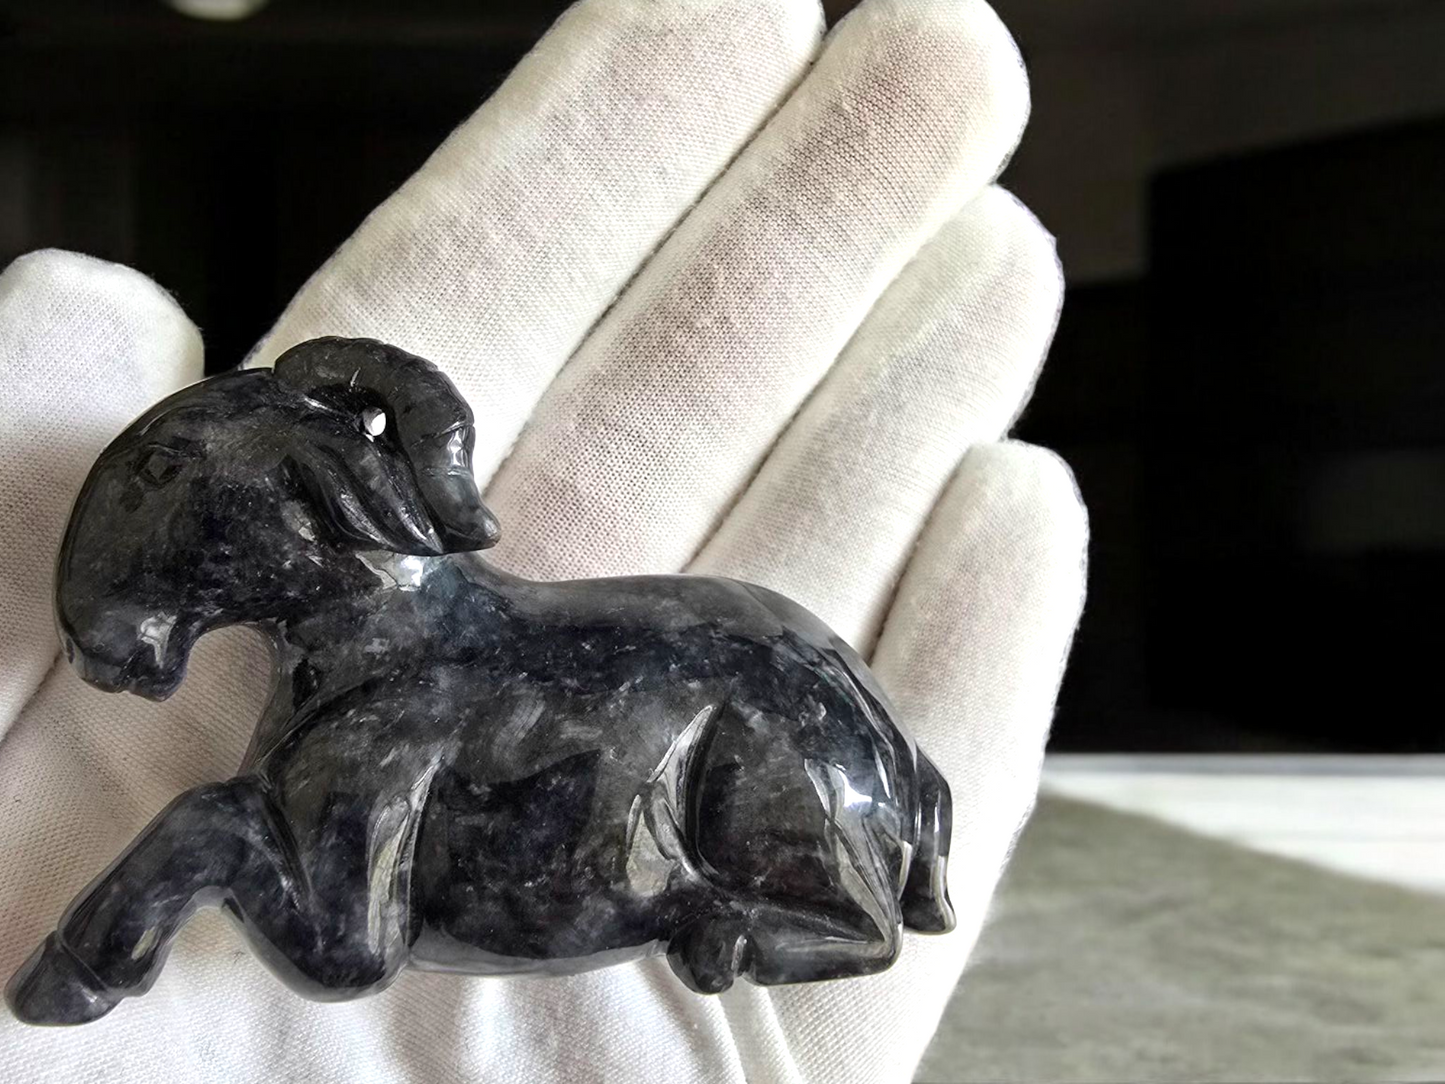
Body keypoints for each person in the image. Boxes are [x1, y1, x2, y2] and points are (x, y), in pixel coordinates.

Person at [0, 0, 1086, 1079]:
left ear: (290, 503)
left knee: (214, 824)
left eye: (180, 494)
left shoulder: (395, 709)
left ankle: (829, 914)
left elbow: (343, 950)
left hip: (774, 737)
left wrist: (193, 848)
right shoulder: (361, 699)